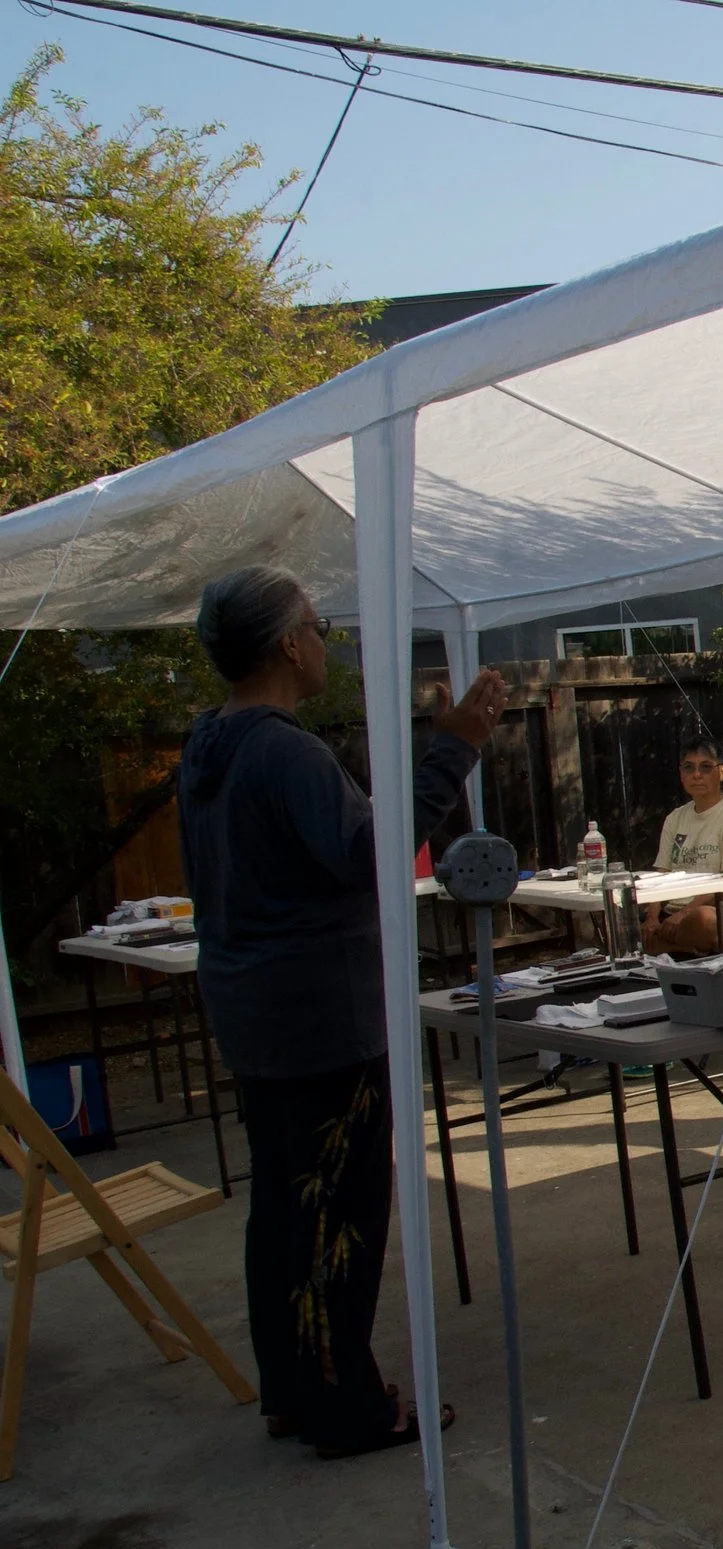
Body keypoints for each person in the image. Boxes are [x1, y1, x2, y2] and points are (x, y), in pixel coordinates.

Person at [179, 565, 503, 1458]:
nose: (325, 640)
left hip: (255, 1014)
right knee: (338, 1212)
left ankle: (289, 1389)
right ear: (287, 643)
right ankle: (345, 1407)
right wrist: (454, 750)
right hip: (319, 1020)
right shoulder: (283, 750)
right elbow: (371, 855)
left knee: (282, 1207)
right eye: (317, 626)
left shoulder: (210, 747)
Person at [642, 737, 723, 956]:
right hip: (673, 913)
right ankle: (681, 947)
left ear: (721, 772)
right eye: (689, 768)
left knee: (705, 921)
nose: (696, 775)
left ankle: (665, 947)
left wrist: (684, 915)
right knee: (622, 922)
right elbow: (661, 875)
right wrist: (651, 917)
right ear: (681, 774)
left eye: (706, 767)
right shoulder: (675, 818)